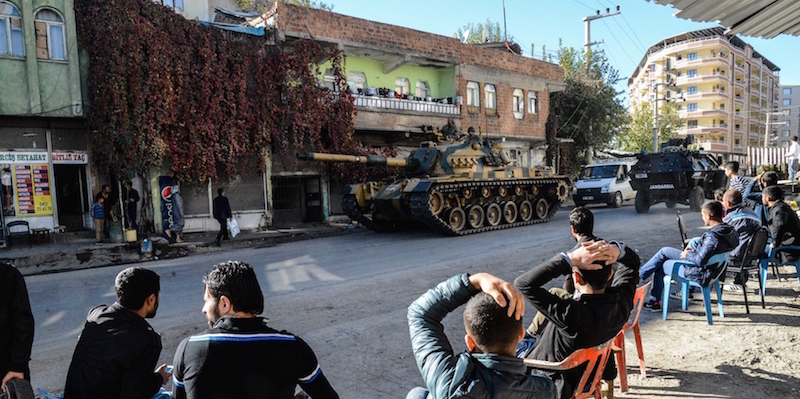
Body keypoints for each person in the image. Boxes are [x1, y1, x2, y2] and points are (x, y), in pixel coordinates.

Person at [172, 261, 338, 399]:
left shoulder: (189, 349)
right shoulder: (292, 347)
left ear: (224, 304)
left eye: (207, 300)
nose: (204, 309)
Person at [515, 240, 640, 399]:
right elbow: (633, 265)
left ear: (576, 277)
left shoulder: (571, 314)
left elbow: (523, 284)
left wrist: (569, 259)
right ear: (610, 274)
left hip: (545, 379)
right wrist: (618, 250)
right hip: (585, 378)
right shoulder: (620, 305)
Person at [406, 272, 556, 399]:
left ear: (470, 342)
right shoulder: (545, 390)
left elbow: (420, 314)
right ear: (521, 334)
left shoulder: (450, 383)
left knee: (418, 394)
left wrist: (475, 281)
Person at [64, 267, 170, 399]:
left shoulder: (96, 314)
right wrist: (159, 378)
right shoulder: (147, 340)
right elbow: (134, 394)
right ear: (151, 299)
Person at [639, 201, 738, 311]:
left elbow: (700, 260)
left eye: (702, 215)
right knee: (666, 254)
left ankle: (649, 293)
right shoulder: (729, 230)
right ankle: (648, 289)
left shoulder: (712, 236)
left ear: (709, 216)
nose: (702, 218)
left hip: (700, 272)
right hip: (715, 270)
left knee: (662, 259)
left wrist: (688, 254)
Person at [0, 262, 35, 393]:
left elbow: (24, 323)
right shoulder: (9, 275)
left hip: (7, 372)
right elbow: (24, 323)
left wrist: (17, 366)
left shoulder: (9, 276)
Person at [721, 189, 762, 289]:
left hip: (738, 256)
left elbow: (720, 236)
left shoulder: (732, 217)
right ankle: (740, 281)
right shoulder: (753, 214)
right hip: (753, 255)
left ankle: (714, 283)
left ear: (728, 203)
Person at [763, 186, 800, 264]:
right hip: (788, 243)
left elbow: (779, 225)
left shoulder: (780, 209)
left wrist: (775, 243)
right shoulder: (780, 207)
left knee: (756, 252)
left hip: (790, 247)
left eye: (763, 196)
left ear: (768, 198)